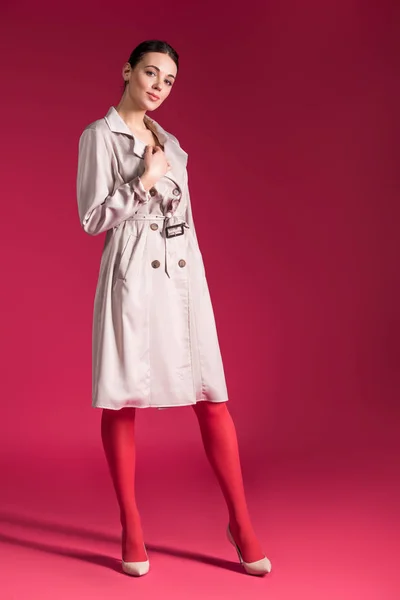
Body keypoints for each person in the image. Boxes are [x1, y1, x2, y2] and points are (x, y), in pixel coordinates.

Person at [76, 39, 271, 577]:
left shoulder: (172, 143)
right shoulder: (100, 136)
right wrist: (143, 181)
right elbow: (93, 218)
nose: (159, 87)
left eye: (168, 81)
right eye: (150, 73)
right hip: (134, 274)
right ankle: (131, 524)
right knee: (121, 398)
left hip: (184, 273)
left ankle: (241, 522)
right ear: (127, 71)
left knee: (211, 395)